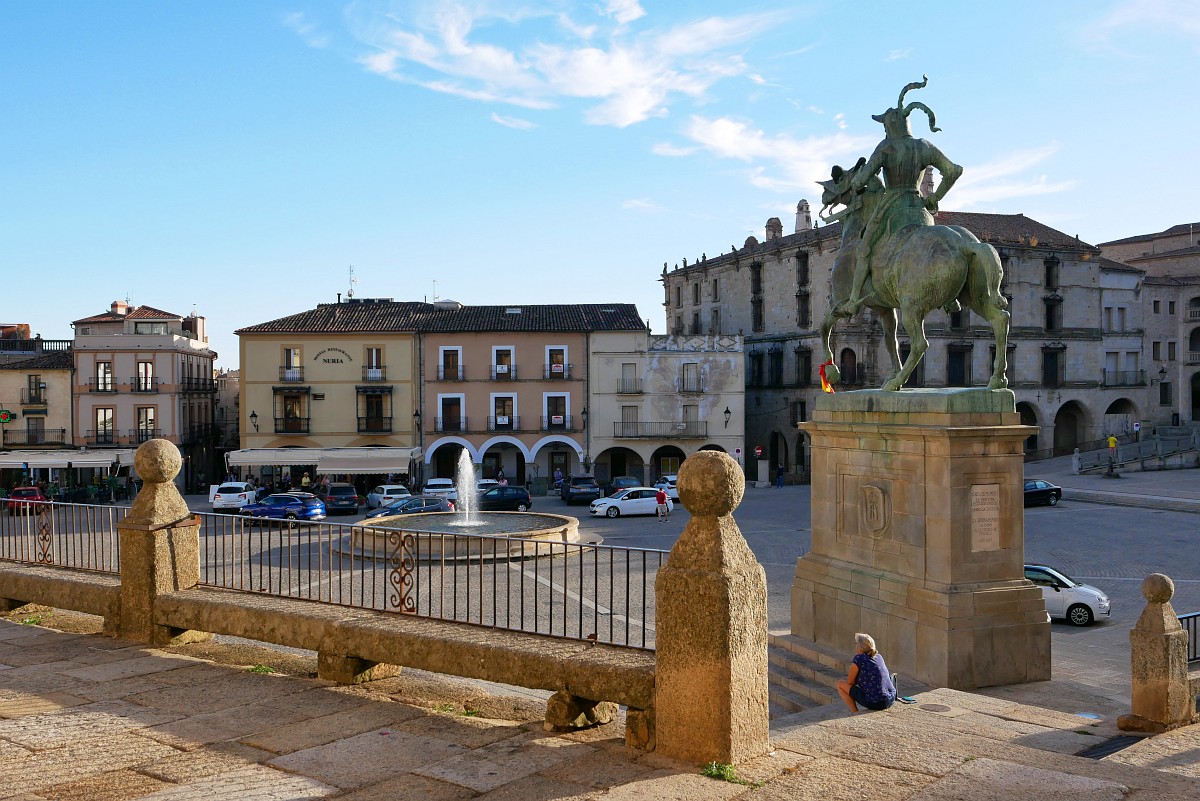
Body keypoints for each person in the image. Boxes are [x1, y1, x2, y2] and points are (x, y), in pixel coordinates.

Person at [835, 76, 963, 318]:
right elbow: (954, 171)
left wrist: (858, 179)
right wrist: (935, 197)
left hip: (892, 209)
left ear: (889, 126)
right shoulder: (924, 145)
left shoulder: (886, 147)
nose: (884, 130)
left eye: (885, 126)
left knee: (863, 250)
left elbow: (861, 181)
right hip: (921, 211)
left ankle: (852, 301)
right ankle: (950, 296)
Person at [835, 633, 897, 714]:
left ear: (859, 646)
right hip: (891, 699)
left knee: (840, 684)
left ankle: (855, 712)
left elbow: (850, 682)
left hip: (875, 702)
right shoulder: (879, 657)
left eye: (856, 643)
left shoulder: (858, 659)